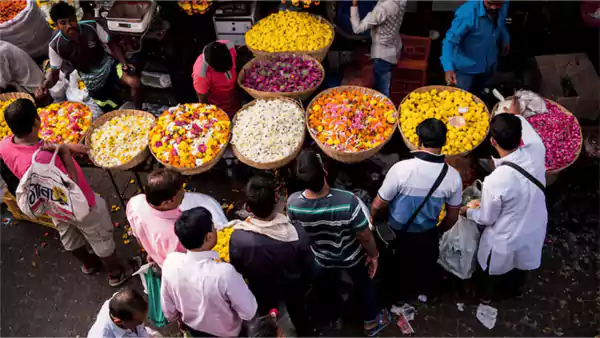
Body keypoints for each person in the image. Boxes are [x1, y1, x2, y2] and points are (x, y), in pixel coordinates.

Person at [0, 99, 131, 286]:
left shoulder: (5, 145)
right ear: (36, 121)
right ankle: (116, 272)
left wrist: (65, 147)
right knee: (99, 235)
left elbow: (39, 146)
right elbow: (72, 187)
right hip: (77, 203)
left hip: (51, 205)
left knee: (68, 235)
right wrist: (65, 153)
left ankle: (90, 264)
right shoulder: (44, 159)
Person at [286, 150, 389, 337]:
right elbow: (364, 235)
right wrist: (373, 255)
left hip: (322, 257)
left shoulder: (293, 204)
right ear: (324, 172)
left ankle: (333, 317)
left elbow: (296, 229)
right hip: (351, 256)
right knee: (366, 285)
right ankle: (370, 325)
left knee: (326, 288)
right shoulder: (348, 201)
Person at [461, 99, 547, 303]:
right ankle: (514, 290)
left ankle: (486, 297)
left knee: (493, 267)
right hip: (535, 225)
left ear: (492, 142)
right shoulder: (537, 149)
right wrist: (515, 116)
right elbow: (525, 129)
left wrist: (467, 211)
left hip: (506, 236)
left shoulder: (497, 180)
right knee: (521, 264)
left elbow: (486, 217)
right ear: (520, 138)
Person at [371, 118, 462, 302]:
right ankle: (422, 292)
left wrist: (373, 219)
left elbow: (378, 204)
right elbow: (452, 217)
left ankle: (397, 296)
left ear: (418, 141)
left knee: (397, 267)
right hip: (427, 234)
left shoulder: (401, 169)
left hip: (398, 233)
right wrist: (438, 230)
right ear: (444, 142)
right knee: (424, 266)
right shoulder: (452, 177)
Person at [229, 174, 313, 336]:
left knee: (268, 315)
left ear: (248, 208)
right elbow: (307, 266)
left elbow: (238, 267)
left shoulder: (238, 237)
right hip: (292, 286)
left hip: (261, 288)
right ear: (276, 199)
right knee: (298, 312)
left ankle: (271, 332)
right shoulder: (296, 235)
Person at [161, 207, 257, 337]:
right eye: (213, 226)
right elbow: (248, 312)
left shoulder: (170, 262)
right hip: (229, 333)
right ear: (209, 236)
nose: (216, 228)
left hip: (195, 330)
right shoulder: (224, 273)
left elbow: (169, 311)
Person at [35, 2, 142, 109]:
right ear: (56, 25)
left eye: (71, 20)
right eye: (63, 23)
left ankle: (139, 111)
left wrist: (124, 64)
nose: (69, 26)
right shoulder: (55, 46)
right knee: (110, 107)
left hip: (109, 66)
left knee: (135, 83)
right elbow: (54, 74)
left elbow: (112, 45)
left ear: (76, 19)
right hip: (92, 80)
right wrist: (45, 85)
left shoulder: (92, 26)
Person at [126, 168, 227, 268]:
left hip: (158, 257)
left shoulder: (135, 203)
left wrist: (152, 252)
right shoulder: (176, 234)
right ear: (166, 203)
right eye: (180, 196)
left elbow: (139, 236)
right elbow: (190, 262)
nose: (184, 192)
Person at [440, 0, 510, 93]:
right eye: (490, 3)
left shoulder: (504, 4)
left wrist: (505, 38)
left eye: (498, 4)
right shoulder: (467, 12)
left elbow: (502, 23)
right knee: (460, 100)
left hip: (488, 65)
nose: (493, 7)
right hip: (465, 70)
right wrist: (448, 68)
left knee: (478, 95)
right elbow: (450, 41)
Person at [350, 0, 407, 98]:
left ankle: (386, 110)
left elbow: (357, 28)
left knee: (383, 91)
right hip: (394, 46)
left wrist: (354, 4)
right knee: (384, 82)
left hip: (383, 56)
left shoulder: (382, 9)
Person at [192, 41, 240, 117]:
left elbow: (239, 50)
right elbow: (203, 100)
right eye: (222, 70)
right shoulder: (201, 74)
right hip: (221, 107)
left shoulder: (228, 46)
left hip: (235, 96)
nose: (227, 70)